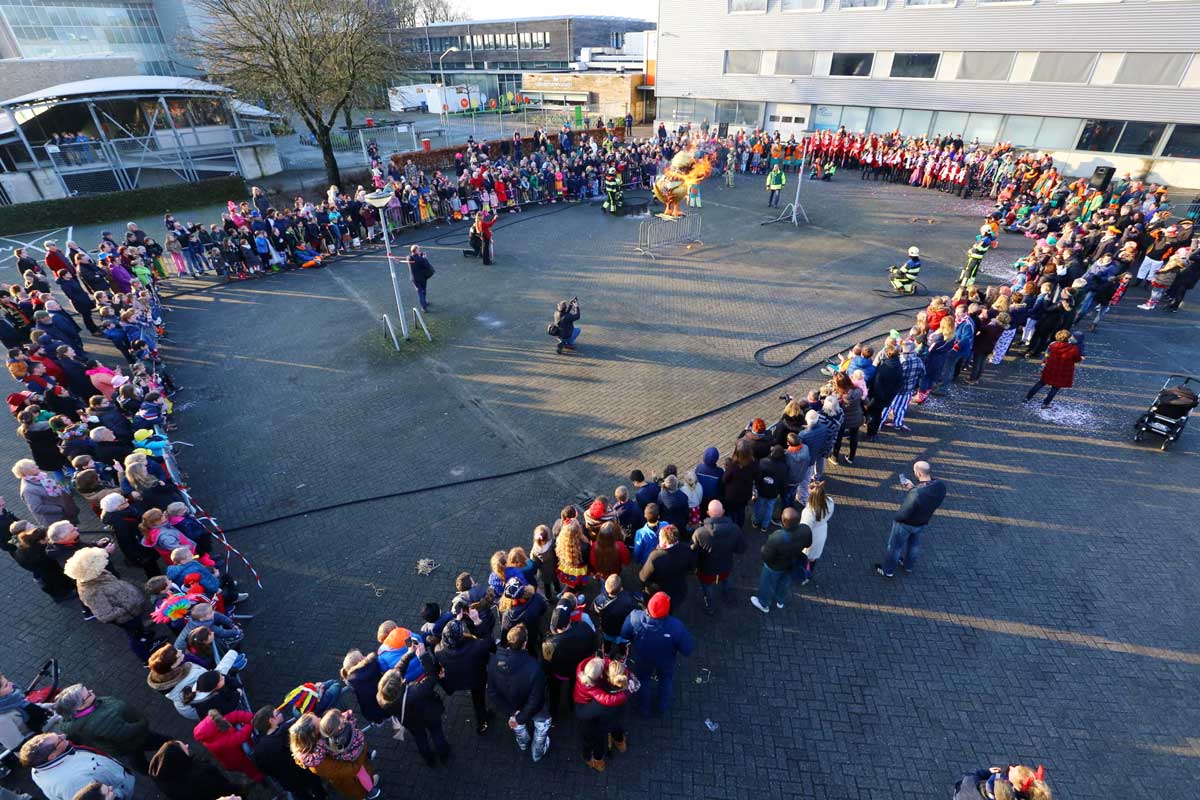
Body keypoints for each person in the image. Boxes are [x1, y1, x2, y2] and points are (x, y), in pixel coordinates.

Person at [54, 683, 169, 774]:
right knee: (162, 743)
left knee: (135, 757)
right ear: (80, 706)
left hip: (118, 746)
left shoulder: (73, 715)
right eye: (88, 693)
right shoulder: (101, 721)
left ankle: (145, 770)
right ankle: (151, 770)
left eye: (87, 690)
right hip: (132, 741)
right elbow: (127, 733)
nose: (91, 691)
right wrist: (142, 723)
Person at [62, 547, 152, 658]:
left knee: (138, 628)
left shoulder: (97, 574)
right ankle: (145, 655)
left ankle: (143, 631)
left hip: (133, 611)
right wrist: (126, 607)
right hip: (127, 617)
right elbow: (105, 615)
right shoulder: (91, 591)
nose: (104, 564)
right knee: (134, 635)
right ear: (91, 569)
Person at [377, 643, 450, 767]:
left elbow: (397, 671)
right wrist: (423, 657)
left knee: (420, 738)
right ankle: (443, 754)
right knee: (436, 732)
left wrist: (408, 654)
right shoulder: (417, 691)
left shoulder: (382, 698)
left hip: (411, 722)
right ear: (399, 685)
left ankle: (429, 759)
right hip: (429, 714)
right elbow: (432, 677)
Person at [621, 592, 694, 715]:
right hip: (666, 661)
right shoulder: (676, 626)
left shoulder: (635, 618)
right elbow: (687, 649)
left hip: (643, 658)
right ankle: (662, 707)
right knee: (666, 680)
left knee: (643, 680)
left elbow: (624, 634)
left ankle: (643, 708)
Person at [486, 624, 551, 762]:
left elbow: (492, 693)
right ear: (525, 643)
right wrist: (520, 717)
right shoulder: (534, 667)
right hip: (531, 709)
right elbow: (535, 699)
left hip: (511, 706)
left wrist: (513, 713)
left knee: (516, 724)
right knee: (543, 724)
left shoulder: (492, 661)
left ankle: (523, 742)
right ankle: (537, 752)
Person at [874, 460, 947, 578]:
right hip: (922, 521)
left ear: (919, 474)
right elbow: (925, 495)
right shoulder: (940, 486)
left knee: (894, 547)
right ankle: (908, 565)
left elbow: (905, 511)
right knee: (914, 545)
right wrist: (913, 487)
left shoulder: (916, 493)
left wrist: (897, 519)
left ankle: (888, 570)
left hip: (906, 524)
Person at [290, 709, 379, 800]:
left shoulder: (323, 737)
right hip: (352, 780)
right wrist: (361, 750)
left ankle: (369, 783)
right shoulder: (319, 762)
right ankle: (365, 794)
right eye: (319, 721)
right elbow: (352, 769)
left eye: (318, 717)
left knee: (366, 776)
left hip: (356, 769)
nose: (321, 719)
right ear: (313, 734)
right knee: (359, 790)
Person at [19, 733, 135, 800]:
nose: (63, 735)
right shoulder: (74, 784)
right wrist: (120, 794)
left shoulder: (38, 767)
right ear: (52, 755)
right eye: (60, 740)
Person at [251, 707, 328, 800]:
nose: (281, 713)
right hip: (306, 772)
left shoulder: (258, 751)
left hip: (288, 782)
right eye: (277, 713)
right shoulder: (290, 731)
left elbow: (265, 771)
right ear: (271, 721)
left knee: (302, 796)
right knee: (317, 789)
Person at [433, 618, 494, 735]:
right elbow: (489, 641)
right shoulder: (477, 646)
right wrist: (477, 621)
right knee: (478, 701)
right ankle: (482, 722)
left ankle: (482, 722)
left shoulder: (439, 651)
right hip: (477, 679)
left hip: (457, 681)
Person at [540, 595, 596, 720]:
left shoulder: (549, 644)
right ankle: (572, 706)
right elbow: (594, 646)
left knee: (554, 693)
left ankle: (553, 713)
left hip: (558, 674)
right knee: (573, 689)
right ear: (569, 620)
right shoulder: (584, 628)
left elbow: (546, 666)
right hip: (577, 671)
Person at [573, 656, 631, 772]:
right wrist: (625, 695)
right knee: (616, 728)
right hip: (613, 718)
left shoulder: (586, 670)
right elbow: (608, 699)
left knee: (596, 742)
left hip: (598, 723)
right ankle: (619, 742)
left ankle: (596, 760)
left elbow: (583, 714)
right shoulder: (623, 685)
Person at [749, 506, 811, 614]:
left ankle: (764, 604)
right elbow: (808, 544)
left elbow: (767, 556)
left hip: (775, 566)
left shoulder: (776, 538)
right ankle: (780, 601)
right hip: (792, 563)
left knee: (767, 584)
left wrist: (763, 549)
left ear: (783, 521)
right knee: (785, 582)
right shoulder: (806, 529)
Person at [692, 500, 746, 615]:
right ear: (723, 512)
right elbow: (741, 549)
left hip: (706, 570)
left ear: (707, 512)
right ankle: (727, 595)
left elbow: (694, 554)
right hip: (726, 566)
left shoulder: (699, 533)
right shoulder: (735, 529)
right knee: (726, 581)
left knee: (707, 588)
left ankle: (710, 607)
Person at [147, 739, 238, 800]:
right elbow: (223, 787)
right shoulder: (201, 777)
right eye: (184, 748)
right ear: (180, 759)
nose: (187, 746)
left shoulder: (165, 779)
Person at [193, 708, 261, 783]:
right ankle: (259, 778)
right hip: (236, 761)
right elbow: (240, 737)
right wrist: (251, 723)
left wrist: (251, 717)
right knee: (249, 768)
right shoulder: (218, 744)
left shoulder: (215, 726)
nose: (224, 719)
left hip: (235, 752)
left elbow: (235, 715)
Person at [638, 523, 694, 610]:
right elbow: (691, 567)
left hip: (660, 593)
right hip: (679, 590)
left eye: (660, 536)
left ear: (664, 541)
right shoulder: (686, 548)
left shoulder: (656, 556)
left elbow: (643, 577)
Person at [1024, 330, 1083, 408]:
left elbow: (1047, 355)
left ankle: (1027, 398)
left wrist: (1044, 362)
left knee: (1041, 383)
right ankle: (1045, 404)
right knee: (1055, 388)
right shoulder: (1074, 348)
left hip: (1050, 369)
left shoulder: (1053, 345)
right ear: (1068, 338)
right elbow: (1077, 359)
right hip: (1063, 372)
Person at [800, 479, 835, 580]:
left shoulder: (809, 512)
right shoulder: (830, 502)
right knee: (813, 559)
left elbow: (804, 529)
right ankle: (808, 575)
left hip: (811, 537)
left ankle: (804, 577)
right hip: (822, 532)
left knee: (805, 559)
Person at [407, 244, 434, 313]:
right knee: (422, 292)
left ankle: (424, 303)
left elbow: (413, 258)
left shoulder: (409, 258)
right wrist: (424, 258)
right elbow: (427, 265)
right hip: (422, 278)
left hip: (414, 279)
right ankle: (424, 307)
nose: (419, 251)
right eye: (418, 249)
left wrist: (421, 256)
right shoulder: (421, 259)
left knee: (420, 291)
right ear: (415, 250)